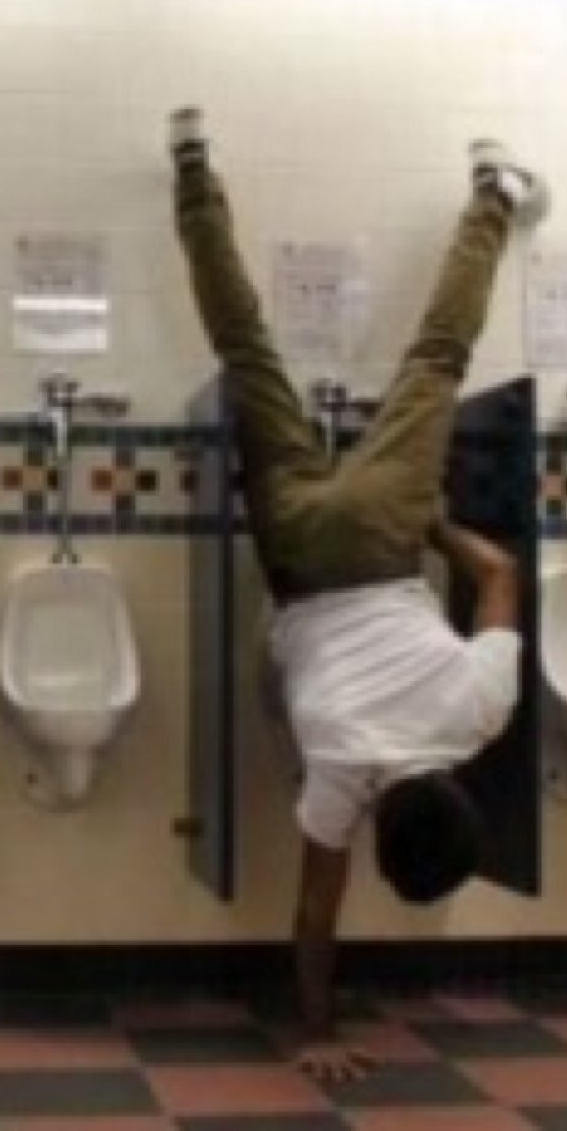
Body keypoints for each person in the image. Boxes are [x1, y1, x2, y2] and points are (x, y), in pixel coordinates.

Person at [168, 107, 549, 1082]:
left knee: (435, 357)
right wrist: (316, 1031)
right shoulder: (338, 775)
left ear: (460, 793)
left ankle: (492, 193)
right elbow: (313, 914)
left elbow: (502, 573)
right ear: (381, 828)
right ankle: (192, 168)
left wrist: (433, 527)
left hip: (384, 539)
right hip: (297, 556)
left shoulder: (480, 709)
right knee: (247, 352)